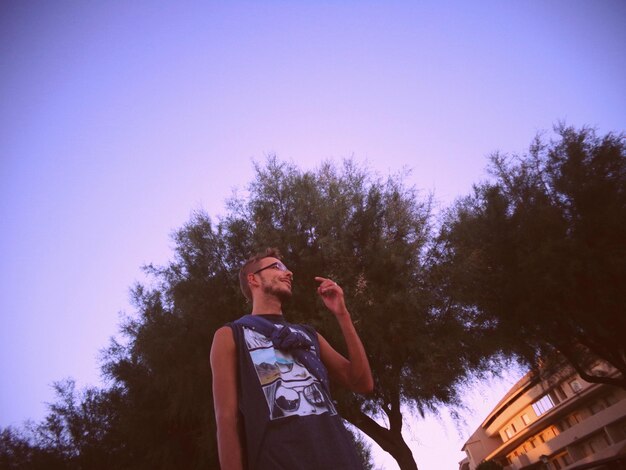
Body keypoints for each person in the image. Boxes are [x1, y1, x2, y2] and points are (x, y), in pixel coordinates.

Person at [210, 248, 374, 470]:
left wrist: (342, 314)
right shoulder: (231, 335)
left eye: (287, 269)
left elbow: (362, 383)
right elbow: (226, 419)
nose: (289, 273)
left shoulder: (309, 335)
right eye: (277, 267)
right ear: (253, 279)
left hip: (339, 457)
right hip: (280, 461)